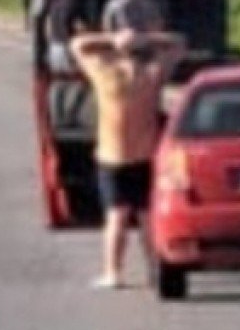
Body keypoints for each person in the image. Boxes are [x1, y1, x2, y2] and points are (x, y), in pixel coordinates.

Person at [69, 28, 185, 289]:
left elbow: (77, 45)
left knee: (118, 217)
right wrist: (146, 37)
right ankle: (150, 270)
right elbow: (178, 44)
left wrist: (112, 38)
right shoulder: (151, 74)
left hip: (115, 157)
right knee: (143, 218)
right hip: (140, 155)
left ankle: (114, 273)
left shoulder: (104, 73)